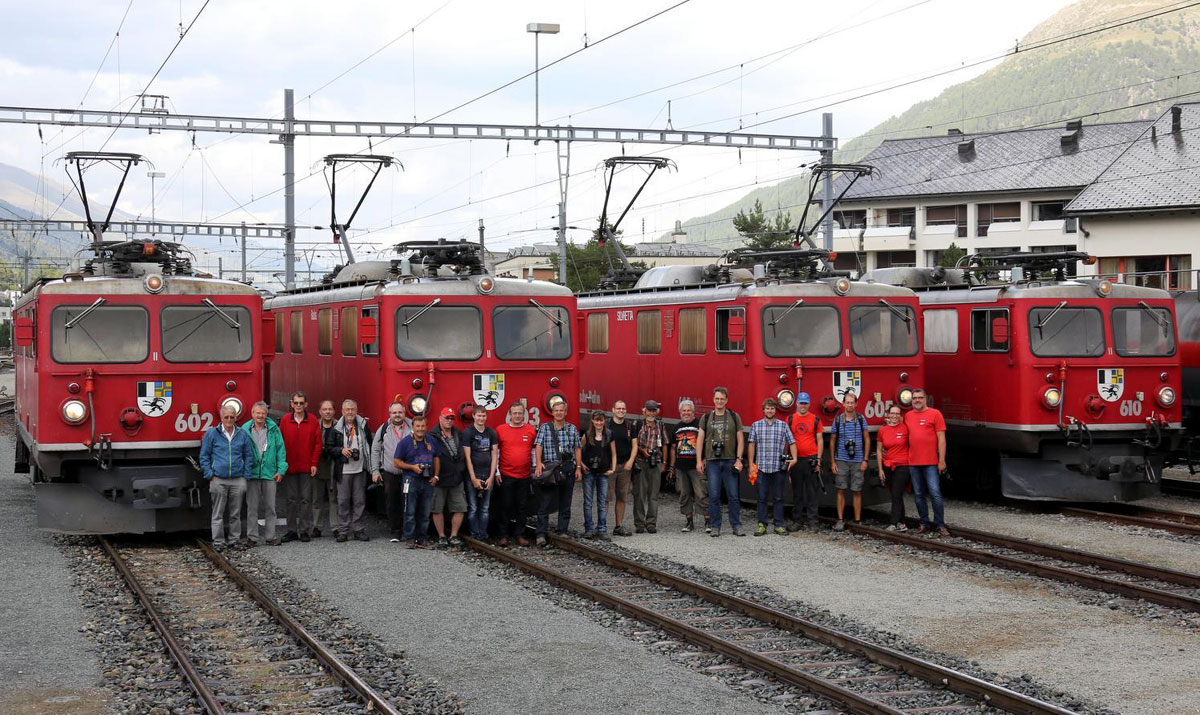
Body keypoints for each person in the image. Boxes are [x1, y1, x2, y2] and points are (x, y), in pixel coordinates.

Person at [199, 405, 254, 549]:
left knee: (235, 513)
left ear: (236, 417)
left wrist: (245, 476)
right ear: (221, 418)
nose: (229, 420)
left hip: (238, 479)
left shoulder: (242, 434)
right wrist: (210, 475)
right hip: (218, 479)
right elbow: (204, 456)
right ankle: (218, 542)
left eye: (232, 417)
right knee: (218, 513)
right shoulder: (212, 433)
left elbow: (248, 455)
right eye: (226, 417)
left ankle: (234, 540)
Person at [697, 387, 746, 538]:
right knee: (714, 495)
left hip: (730, 460)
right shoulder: (706, 418)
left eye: (722, 399)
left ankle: (736, 525)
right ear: (713, 400)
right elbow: (700, 440)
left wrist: (739, 459)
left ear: (726, 400)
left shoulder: (733, 416)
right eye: (717, 399)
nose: (719, 401)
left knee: (733, 495)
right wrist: (699, 460)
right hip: (712, 461)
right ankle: (715, 526)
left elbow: (740, 438)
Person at [534, 401, 582, 547]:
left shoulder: (572, 429)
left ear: (565, 412)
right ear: (552, 413)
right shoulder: (545, 428)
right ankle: (541, 534)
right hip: (550, 470)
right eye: (556, 410)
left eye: (562, 410)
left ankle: (562, 531)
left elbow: (577, 448)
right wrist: (538, 463)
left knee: (565, 502)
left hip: (568, 468)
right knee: (545, 502)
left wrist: (578, 467)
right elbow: (538, 445)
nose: (559, 413)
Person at [747, 398, 797, 536]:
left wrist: (794, 458)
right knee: (762, 497)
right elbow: (751, 445)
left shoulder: (783, 425)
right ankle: (762, 525)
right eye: (767, 408)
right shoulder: (756, 426)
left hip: (778, 467)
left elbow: (792, 442)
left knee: (778, 497)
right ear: (763, 410)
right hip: (761, 467)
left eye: (772, 408)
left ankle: (779, 525)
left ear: (775, 410)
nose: (770, 411)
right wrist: (751, 464)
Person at [904, 389, 949, 536]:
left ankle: (939, 524)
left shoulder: (935, 414)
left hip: (931, 462)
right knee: (918, 494)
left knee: (935, 493)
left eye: (920, 398)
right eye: (914, 398)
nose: (917, 400)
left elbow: (941, 439)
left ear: (926, 399)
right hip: (913, 462)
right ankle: (924, 522)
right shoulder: (908, 416)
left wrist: (941, 460)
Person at [278, 391, 321, 543]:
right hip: (289, 467)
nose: (298, 406)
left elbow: (317, 444)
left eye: (301, 403)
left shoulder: (313, 420)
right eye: (296, 403)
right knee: (290, 499)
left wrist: (314, 463)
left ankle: (304, 531)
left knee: (305, 500)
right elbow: (280, 443)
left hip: (306, 466)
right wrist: (281, 464)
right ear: (291, 404)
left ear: (306, 405)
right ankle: (291, 531)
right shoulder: (284, 420)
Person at [242, 402, 287, 547]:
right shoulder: (245, 430)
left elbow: (281, 450)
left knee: (270, 507)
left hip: (270, 473)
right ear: (252, 414)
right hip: (252, 474)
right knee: (252, 508)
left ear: (266, 415)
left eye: (263, 413)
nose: (260, 416)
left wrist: (281, 470)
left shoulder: (274, 429)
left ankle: (270, 536)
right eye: (257, 413)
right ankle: (252, 537)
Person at [326, 399, 372, 542]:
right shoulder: (336, 429)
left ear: (356, 410)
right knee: (343, 501)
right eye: (347, 409)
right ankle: (343, 530)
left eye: (352, 409)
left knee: (359, 501)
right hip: (343, 470)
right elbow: (328, 448)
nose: (350, 412)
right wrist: (341, 450)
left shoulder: (363, 426)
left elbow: (369, 444)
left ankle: (358, 529)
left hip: (359, 469)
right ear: (342, 412)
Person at [394, 414, 438, 549]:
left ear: (426, 426)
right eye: (418, 426)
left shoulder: (431, 440)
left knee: (425, 512)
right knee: (410, 511)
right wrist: (412, 467)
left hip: (427, 481)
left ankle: (422, 538)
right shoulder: (405, 442)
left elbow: (436, 458)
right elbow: (396, 462)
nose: (420, 429)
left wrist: (436, 476)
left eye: (423, 426)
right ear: (413, 427)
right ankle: (410, 538)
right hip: (410, 479)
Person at [496, 402, 537, 546]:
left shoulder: (530, 430)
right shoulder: (501, 430)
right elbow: (497, 452)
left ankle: (519, 535)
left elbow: (533, 451)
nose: (517, 416)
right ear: (510, 415)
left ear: (524, 414)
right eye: (515, 413)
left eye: (520, 413)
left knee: (522, 507)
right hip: (506, 474)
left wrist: (535, 467)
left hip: (524, 476)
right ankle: (503, 535)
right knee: (505, 506)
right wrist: (496, 472)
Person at [370, 401, 412, 543]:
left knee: (408, 502)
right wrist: (375, 471)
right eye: (394, 412)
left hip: (409, 473)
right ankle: (395, 531)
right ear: (390, 414)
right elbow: (375, 450)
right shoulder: (383, 429)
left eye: (400, 412)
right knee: (392, 502)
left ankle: (408, 531)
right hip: (390, 473)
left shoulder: (413, 426)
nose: (397, 415)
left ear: (404, 413)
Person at [830, 393, 870, 531]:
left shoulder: (861, 419)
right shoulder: (838, 420)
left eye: (852, 402)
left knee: (857, 490)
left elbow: (867, 439)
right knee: (840, 489)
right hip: (841, 459)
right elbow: (833, 441)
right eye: (847, 402)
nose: (850, 405)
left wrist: (865, 459)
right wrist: (832, 461)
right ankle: (840, 519)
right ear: (843, 404)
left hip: (858, 460)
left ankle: (857, 520)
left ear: (856, 404)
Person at [430, 407, 469, 547]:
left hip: (456, 477)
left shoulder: (458, 433)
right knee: (437, 508)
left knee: (460, 507)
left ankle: (453, 535)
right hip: (440, 478)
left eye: (452, 418)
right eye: (446, 418)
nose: (449, 420)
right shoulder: (432, 435)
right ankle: (441, 535)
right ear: (440, 418)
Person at [786, 393, 823, 532]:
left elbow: (819, 440)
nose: (803, 406)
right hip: (796, 460)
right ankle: (797, 521)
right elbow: (787, 441)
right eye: (801, 403)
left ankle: (813, 522)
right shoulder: (789, 419)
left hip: (811, 459)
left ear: (809, 404)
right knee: (797, 493)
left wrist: (818, 460)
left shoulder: (815, 420)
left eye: (805, 403)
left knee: (812, 492)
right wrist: (787, 458)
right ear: (796, 404)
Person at [670, 400, 708, 534]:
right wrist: (672, 466)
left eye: (688, 410)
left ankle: (707, 521)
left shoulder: (700, 425)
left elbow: (707, 445)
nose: (686, 413)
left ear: (693, 411)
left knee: (701, 493)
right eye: (683, 411)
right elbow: (674, 448)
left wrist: (704, 460)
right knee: (684, 494)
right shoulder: (676, 428)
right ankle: (689, 521)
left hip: (696, 466)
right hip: (681, 467)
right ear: (680, 413)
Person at [463, 405, 499, 541]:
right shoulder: (468, 432)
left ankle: (483, 534)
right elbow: (467, 456)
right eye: (479, 415)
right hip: (473, 474)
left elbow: (494, 454)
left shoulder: (491, 433)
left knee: (485, 507)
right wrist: (473, 477)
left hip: (487, 473)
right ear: (473, 416)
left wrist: (491, 476)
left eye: (484, 416)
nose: (481, 418)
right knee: (473, 507)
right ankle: (474, 533)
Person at [580, 410, 616, 540]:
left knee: (602, 502)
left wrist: (613, 468)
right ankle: (588, 529)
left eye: (601, 420)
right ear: (592, 421)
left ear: (604, 421)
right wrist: (581, 465)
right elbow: (578, 450)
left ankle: (602, 529)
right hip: (589, 472)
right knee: (588, 502)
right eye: (596, 420)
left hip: (603, 472)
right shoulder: (587, 434)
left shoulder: (609, 435)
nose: (598, 423)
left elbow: (613, 453)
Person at [633, 400, 668, 534]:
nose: (651, 413)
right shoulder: (638, 425)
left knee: (653, 495)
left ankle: (651, 523)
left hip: (656, 462)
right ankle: (639, 524)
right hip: (641, 462)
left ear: (656, 412)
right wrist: (643, 451)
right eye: (649, 410)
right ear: (644, 411)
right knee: (640, 494)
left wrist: (664, 462)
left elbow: (665, 444)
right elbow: (634, 444)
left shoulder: (661, 425)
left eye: (654, 411)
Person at [606, 400, 638, 537]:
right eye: (618, 408)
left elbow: (635, 445)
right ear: (613, 410)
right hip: (609, 467)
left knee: (622, 497)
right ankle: (602, 526)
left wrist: (631, 461)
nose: (621, 411)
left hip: (625, 466)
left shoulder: (630, 426)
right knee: (606, 497)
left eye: (623, 408)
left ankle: (618, 526)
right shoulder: (607, 425)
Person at [878, 405, 911, 531]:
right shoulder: (883, 430)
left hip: (903, 465)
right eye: (893, 413)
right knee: (895, 494)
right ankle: (901, 523)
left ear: (900, 416)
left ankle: (893, 523)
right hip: (887, 466)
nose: (895, 416)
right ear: (888, 414)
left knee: (897, 493)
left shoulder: (905, 428)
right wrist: (880, 469)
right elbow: (879, 449)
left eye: (897, 414)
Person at [311, 400, 340, 536]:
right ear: (320, 412)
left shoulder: (340, 426)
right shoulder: (314, 425)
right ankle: (317, 526)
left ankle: (335, 527)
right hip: (317, 465)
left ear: (334, 411)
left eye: (330, 409)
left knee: (334, 498)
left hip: (334, 466)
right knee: (317, 498)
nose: (327, 412)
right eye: (325, 409)